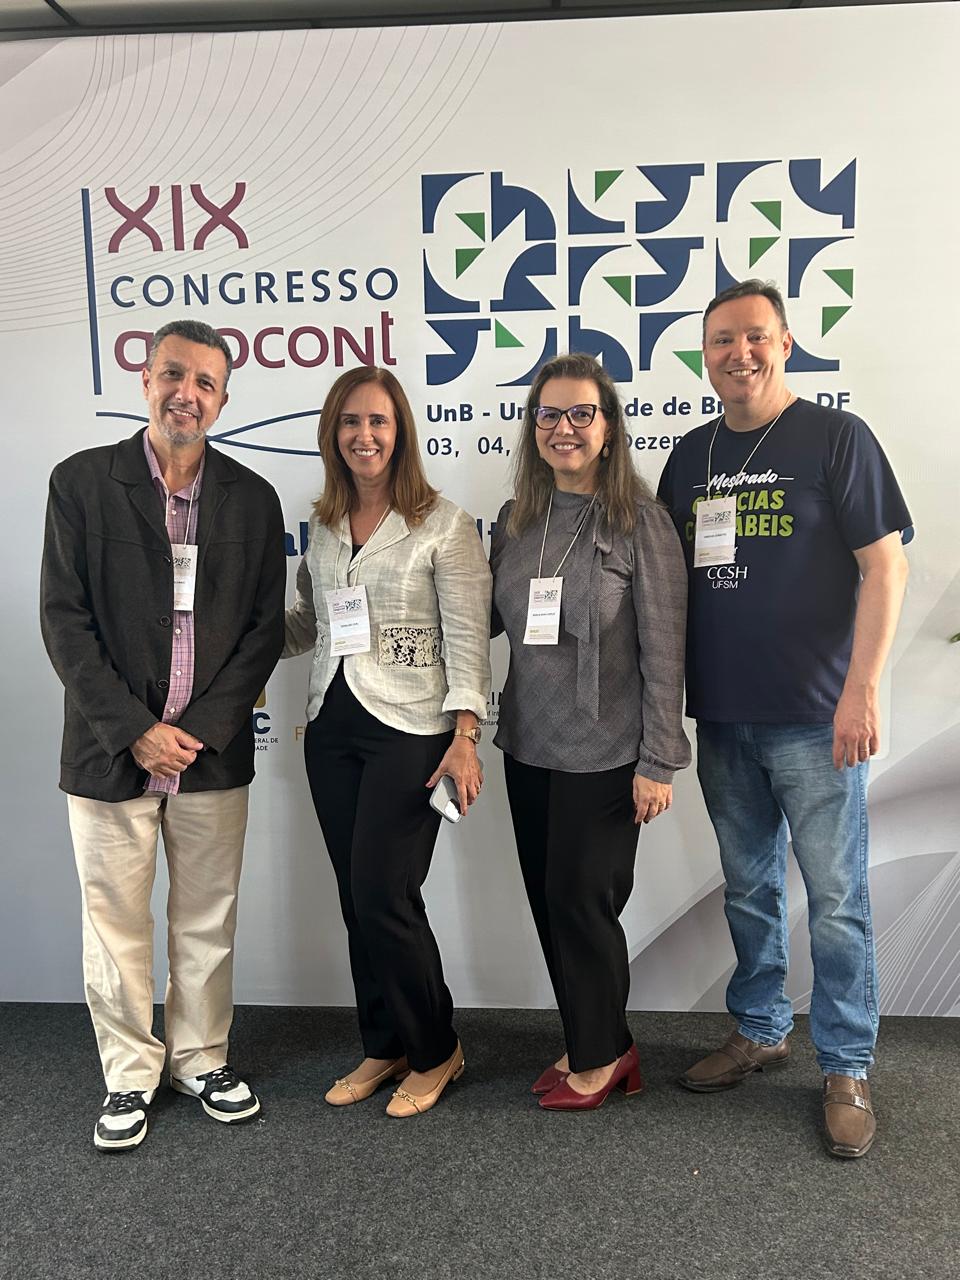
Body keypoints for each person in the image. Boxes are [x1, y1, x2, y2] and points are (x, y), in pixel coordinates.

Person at [657, 279, 911, 1159]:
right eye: (722, 341)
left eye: (755, 337)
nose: (740, 354)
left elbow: (887, 569)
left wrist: (863, 688)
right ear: (705, 355)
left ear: (786, 343)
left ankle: (846, 1064)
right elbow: (662, 593)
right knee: (748, 890)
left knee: (838, 900)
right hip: (724, 718)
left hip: (818, 718)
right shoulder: (689, 457)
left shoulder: (836, 437)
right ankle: (761, 1029)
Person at [40, 319, 286, 1151]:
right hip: (110, 750)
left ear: (223, 399)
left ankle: (201, 1058)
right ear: (145, 380)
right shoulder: (80, 483)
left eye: (206, 382)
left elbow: (261, 632)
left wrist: (201, 729)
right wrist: (137, 729)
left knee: (206, 916)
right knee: (114, 923)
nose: (188, 394)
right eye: (174, 375)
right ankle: (129, 1074)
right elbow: (64, 621)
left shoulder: (252, 498)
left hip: (210, 755)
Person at [283, 366, 491, 1118]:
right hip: (332, 726)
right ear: (332, 435)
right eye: (349, 423)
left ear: (399, 431)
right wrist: (229, 639)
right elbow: (308, 622)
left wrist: (466, 738)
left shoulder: (444, 523)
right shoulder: (327, 525)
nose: (363, 436)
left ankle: (436, 1049)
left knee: (385, 893)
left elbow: (469, 640)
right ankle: (385, 1042)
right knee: (354, 897)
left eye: (377, 421)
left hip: (413, 728)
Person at [490, 352, 691, 1111]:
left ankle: (606, 1056)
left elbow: (665, 652)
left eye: (581, 414)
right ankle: (589, 1037)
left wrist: (659, 762)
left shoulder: (642, 524)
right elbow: (481, 621)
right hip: (528, 747)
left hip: (607, 755)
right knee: (550, 900)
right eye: (549, 414)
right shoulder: (517, 523)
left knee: (583, 900)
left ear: (608, 429)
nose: (563, 428)